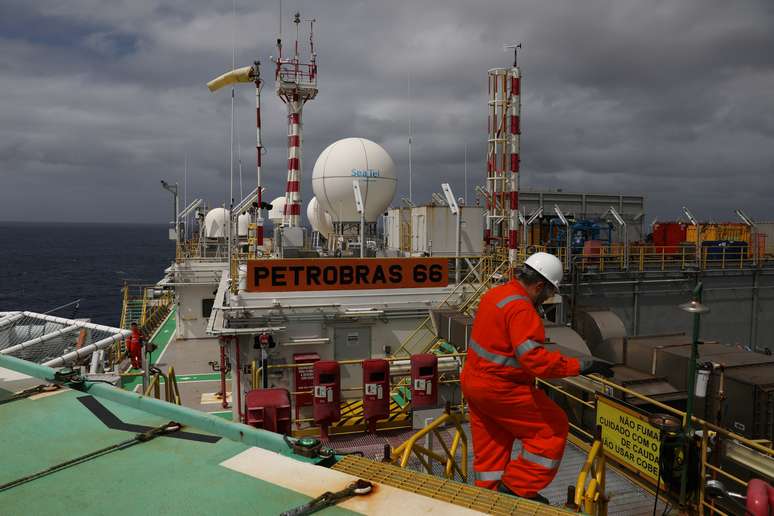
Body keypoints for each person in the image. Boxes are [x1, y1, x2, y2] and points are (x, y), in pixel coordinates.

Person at [461, 252, 614, 504]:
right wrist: (581, 365)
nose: (548, 298)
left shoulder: (495, 295)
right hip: (501, 388)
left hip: (474, 384)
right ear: (540, 285)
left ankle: (488, 500)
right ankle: (516, 488)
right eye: (549, 292)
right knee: (552, 429)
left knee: (492, 450)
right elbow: (535, 361)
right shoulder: (522, 309)